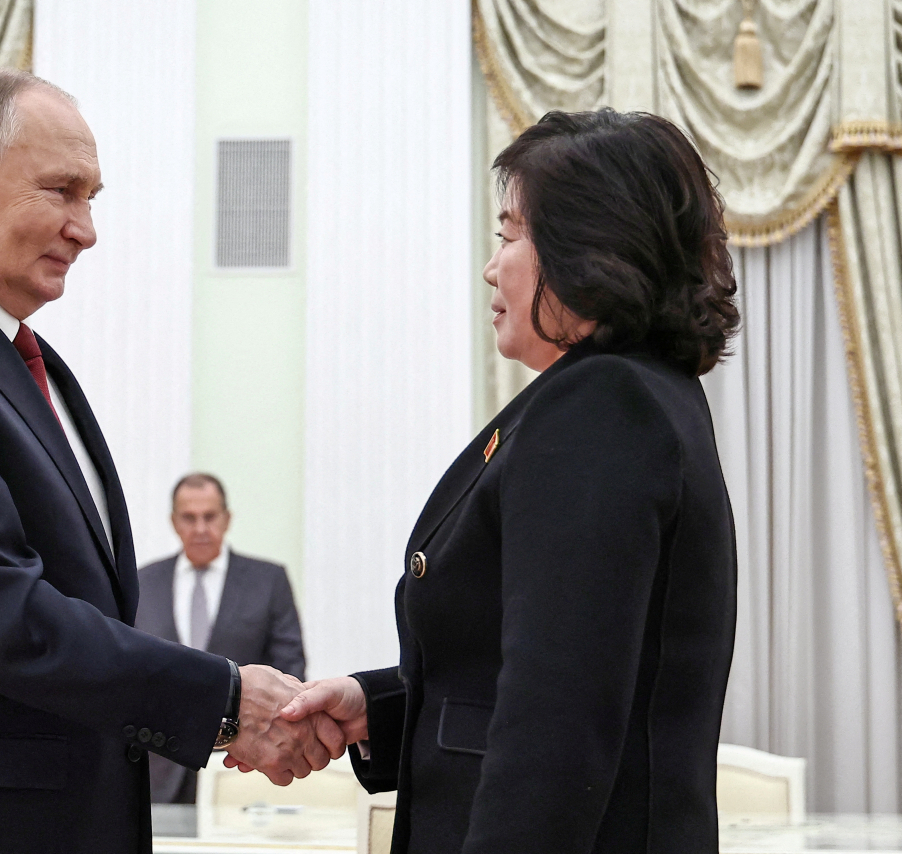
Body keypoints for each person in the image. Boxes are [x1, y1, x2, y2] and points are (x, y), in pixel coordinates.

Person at [0, 68, 339, 854]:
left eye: (92, 198)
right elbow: (2, 616)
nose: (87, 228)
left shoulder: (34, 366)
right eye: (61, 190)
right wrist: (225, 701)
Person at [277, 109, 740, 853]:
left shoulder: (601, 408)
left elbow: (557, 726)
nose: (494, 266)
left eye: (510, 234)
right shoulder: (635, 394)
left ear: (589, 247)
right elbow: (547, 670)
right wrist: (382, 704)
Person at [136, 473, 307, 803]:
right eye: (189, 517)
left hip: (239, 772)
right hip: (156, 771)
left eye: (210, 517)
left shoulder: (268, 581)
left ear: (226, 519)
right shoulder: (144, 583)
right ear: (174, 522)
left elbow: (291, 676)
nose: (200, 528)